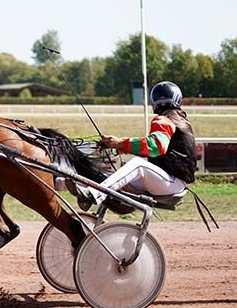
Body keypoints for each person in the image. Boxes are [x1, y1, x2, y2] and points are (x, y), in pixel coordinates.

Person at [69, 81, 198, 211]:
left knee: (138, 165)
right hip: (169, 182)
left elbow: (155, 147)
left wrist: (120, 143)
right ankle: (64, 184)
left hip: (171, 183)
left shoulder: (164, 119)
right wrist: (118, 145)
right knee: (111, 177)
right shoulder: (181, 121)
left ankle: (93, 194)